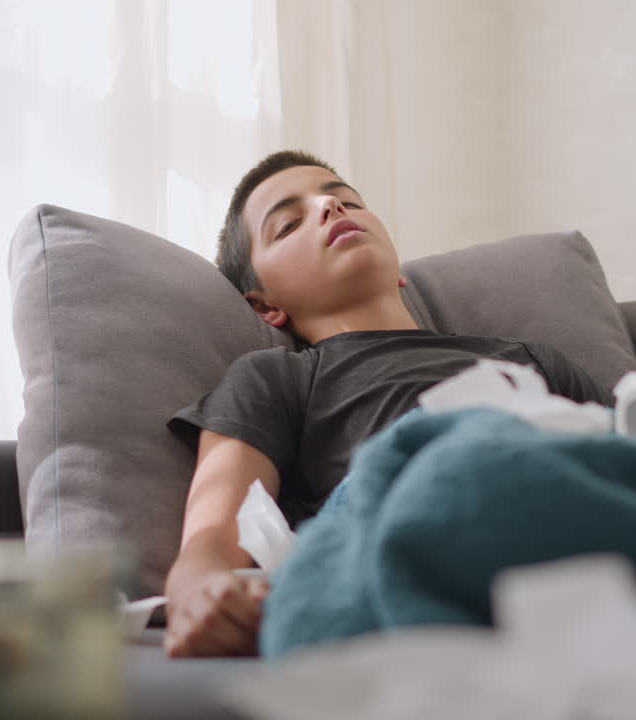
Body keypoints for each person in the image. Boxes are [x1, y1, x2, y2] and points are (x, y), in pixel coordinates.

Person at [162, 150, 611, 657]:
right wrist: (200, 593)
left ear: (399, 270)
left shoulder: (530, 359)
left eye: (345, 200)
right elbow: (211, 542)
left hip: (568, 515)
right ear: (266, 305)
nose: (330, 207)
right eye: (288, 225)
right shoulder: (276, 376)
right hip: (414, 512)